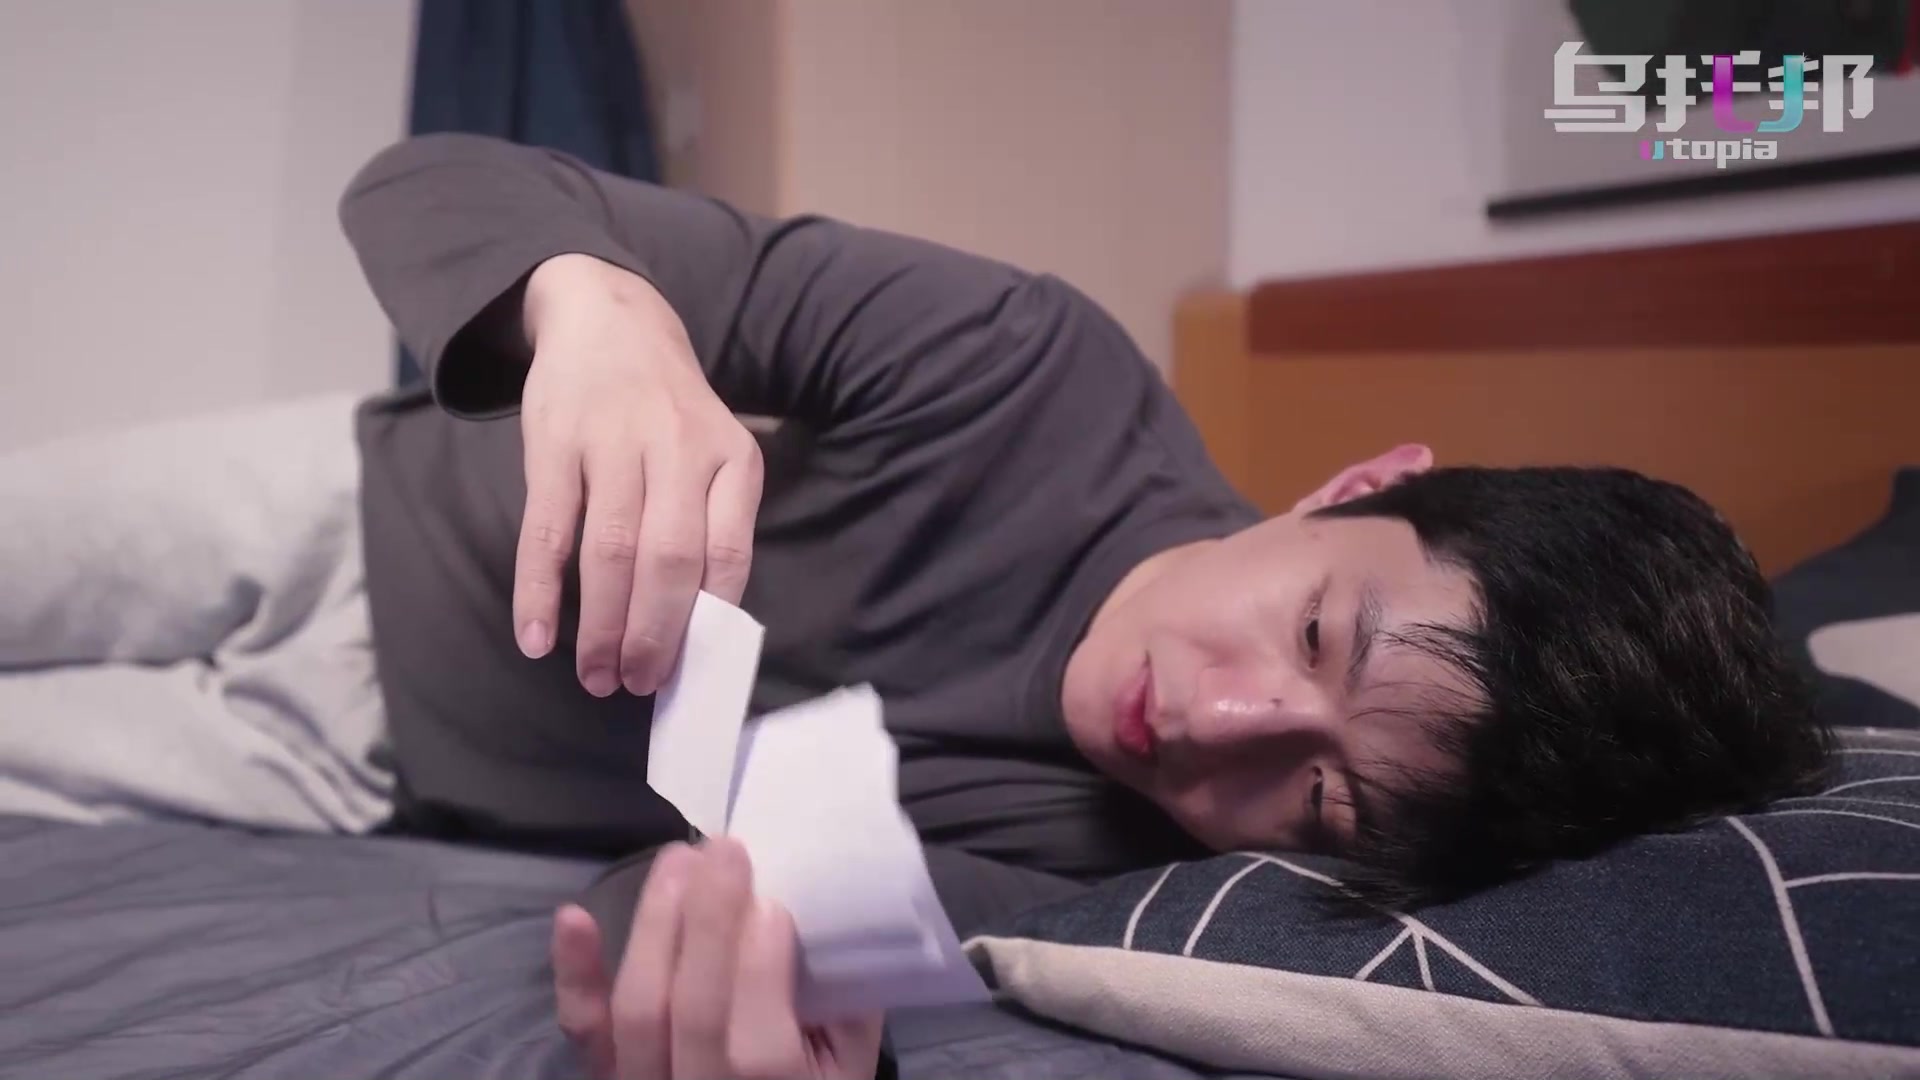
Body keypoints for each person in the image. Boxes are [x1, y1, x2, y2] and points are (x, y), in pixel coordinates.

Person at [336, 133, 1833, 1079]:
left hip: (358, 782)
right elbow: (420, 182)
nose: (1212, 721)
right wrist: (601, 310)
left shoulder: (1113, 880)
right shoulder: (1023, 365)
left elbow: (672, 906)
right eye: (1317, 634)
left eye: (1322, 795)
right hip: (342, 525)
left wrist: (744, 1013)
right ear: (1361, 485)